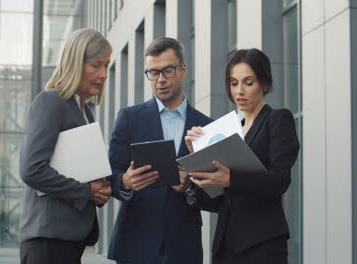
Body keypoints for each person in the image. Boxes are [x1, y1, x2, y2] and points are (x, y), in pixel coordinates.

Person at [185, 48, 300, 264]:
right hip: (226, 245)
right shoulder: (229, 130)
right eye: (234, 82)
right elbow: (220, 200)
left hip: (263, 244)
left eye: (249, 82)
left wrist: (231, 179)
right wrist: (196, 165)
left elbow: (280, 180)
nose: (240, 91)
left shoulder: (277, 120)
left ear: (264, 84)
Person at [107, 37, 212, 264]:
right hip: (136, 243)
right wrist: (125, 182)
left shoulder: (206, 127)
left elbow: (217, 196)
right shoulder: (129, 119)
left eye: (168, 71)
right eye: (153, 73)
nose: (160, 80)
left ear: (183, 70)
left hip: (183, 246)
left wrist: (189, 188)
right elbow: (110, 175)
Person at [19, 28, 113, 264]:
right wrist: (86, 191)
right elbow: (32, 170)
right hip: (47, 241)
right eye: (96, 65)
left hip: (69, 240)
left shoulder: (85, 110)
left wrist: (99, 191)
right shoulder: (51, 102)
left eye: (106, 66)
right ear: (75, 62)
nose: (103, 74)